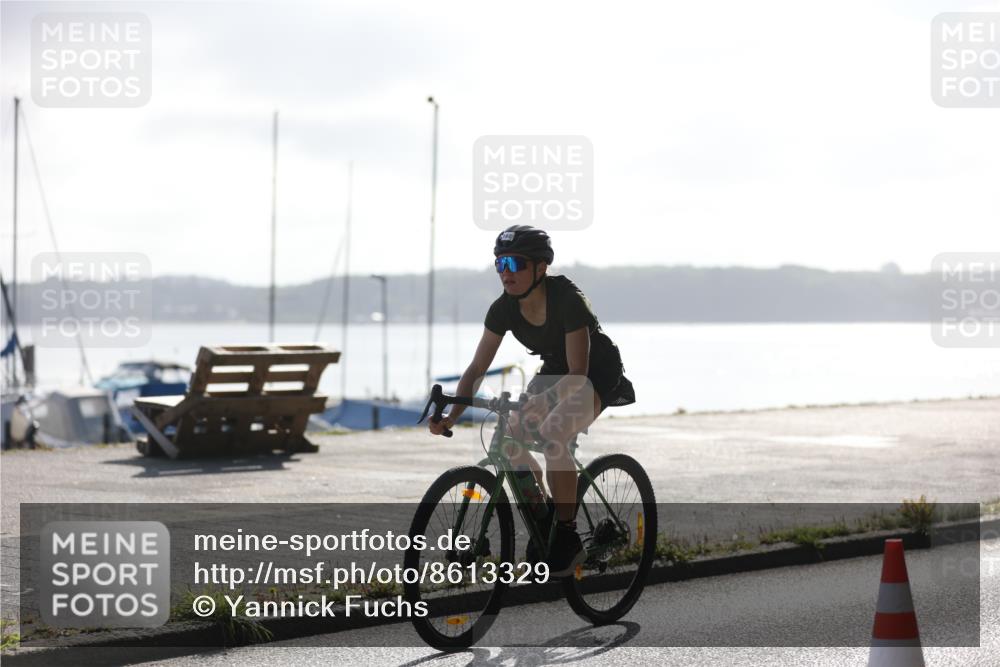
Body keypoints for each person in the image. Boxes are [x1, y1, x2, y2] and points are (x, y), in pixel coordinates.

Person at [428, 225, 635, 576]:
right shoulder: (504, 308)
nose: (505, 272)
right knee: (509, 434)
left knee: (555, 432)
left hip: (594, 371)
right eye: (499, 264)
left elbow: (579, 372)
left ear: (541, 268)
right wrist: (451, 413)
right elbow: (478, 367)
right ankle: (545, 514)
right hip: (556, 370)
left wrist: (549, 400)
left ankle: (567, 535)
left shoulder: (567, 300)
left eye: (514, 263)